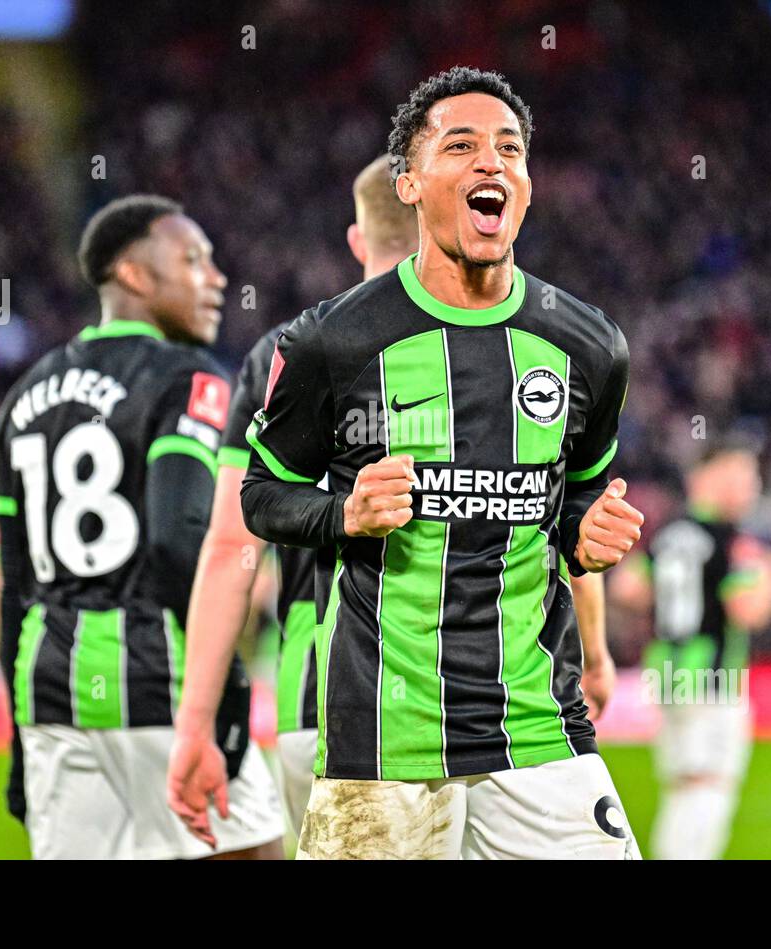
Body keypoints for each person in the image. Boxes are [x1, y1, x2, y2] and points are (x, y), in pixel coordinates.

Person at [172, 67, 645, 860]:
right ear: (410, 183)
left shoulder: (589, 345)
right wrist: (344, 514)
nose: (491, 163)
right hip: (383, 740)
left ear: (527, 186)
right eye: (460, 145)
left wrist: (585, 533)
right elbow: (260, 495)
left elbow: (579, 497)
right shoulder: (335, 341)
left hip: (538, 724)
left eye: (510, 149)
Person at [0, 194, 282, 859]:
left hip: (51, 687)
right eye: (193, 259)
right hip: (162, 678)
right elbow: (177, 538)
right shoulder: (189, 380)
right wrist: (226, 686)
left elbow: (13, 586)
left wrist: (15, 737)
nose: (216, 278)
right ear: (134, 274)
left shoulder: (22, 395)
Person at [168, 155, 417, 843]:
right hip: (488, 707)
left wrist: (195, 723)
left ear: (358, 240)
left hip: (320, 704)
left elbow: (229, 548)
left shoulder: (280, 356)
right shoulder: (502, 343)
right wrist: (593, 654)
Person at [614, 444, 771, 860]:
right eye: (745, 479)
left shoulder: (670, 533)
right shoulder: (735, 542)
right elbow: (746, 610)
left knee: (681, 784)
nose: (751, 489)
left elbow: (627, 588)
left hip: (667, 671)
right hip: (713, 676)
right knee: (709, 785)